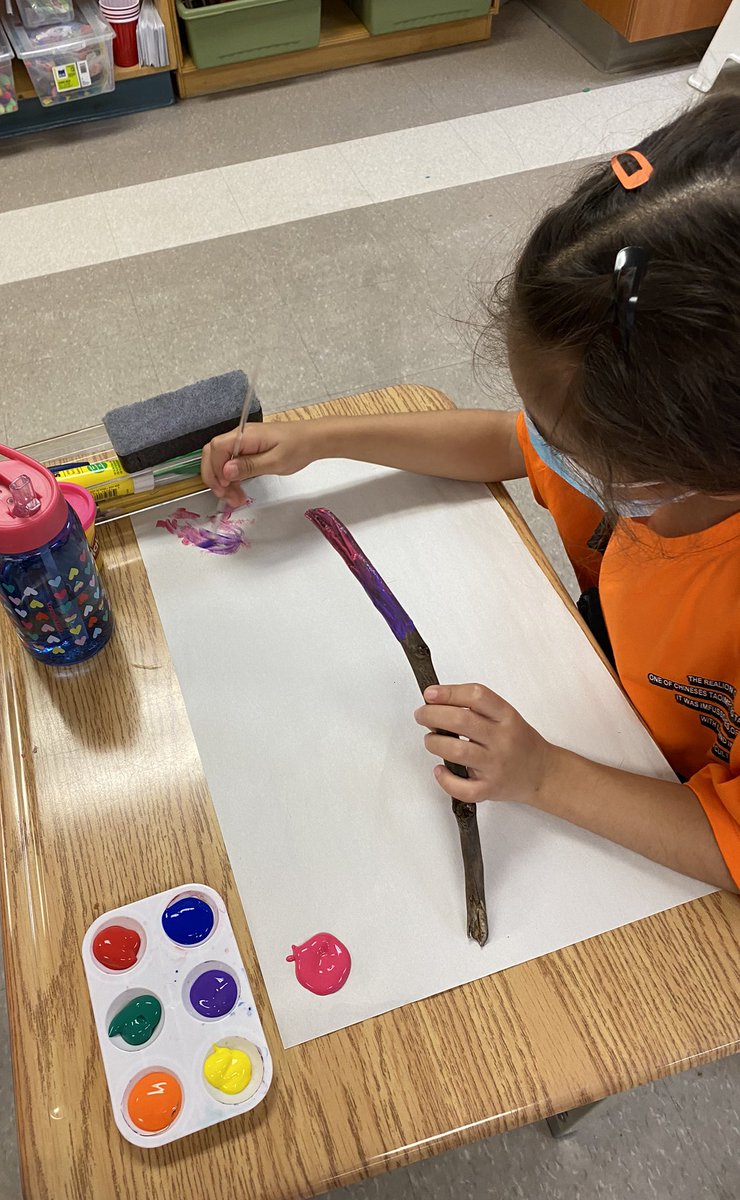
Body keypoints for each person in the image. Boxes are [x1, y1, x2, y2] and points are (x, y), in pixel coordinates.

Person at [201, 94, 740, 893]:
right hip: (611, 682)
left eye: (574, 448)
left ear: (687, 461)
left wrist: (546, 775)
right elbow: (504, 443)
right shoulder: (655, 450)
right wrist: (322, 439)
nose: (549, 453)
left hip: (671, 819)